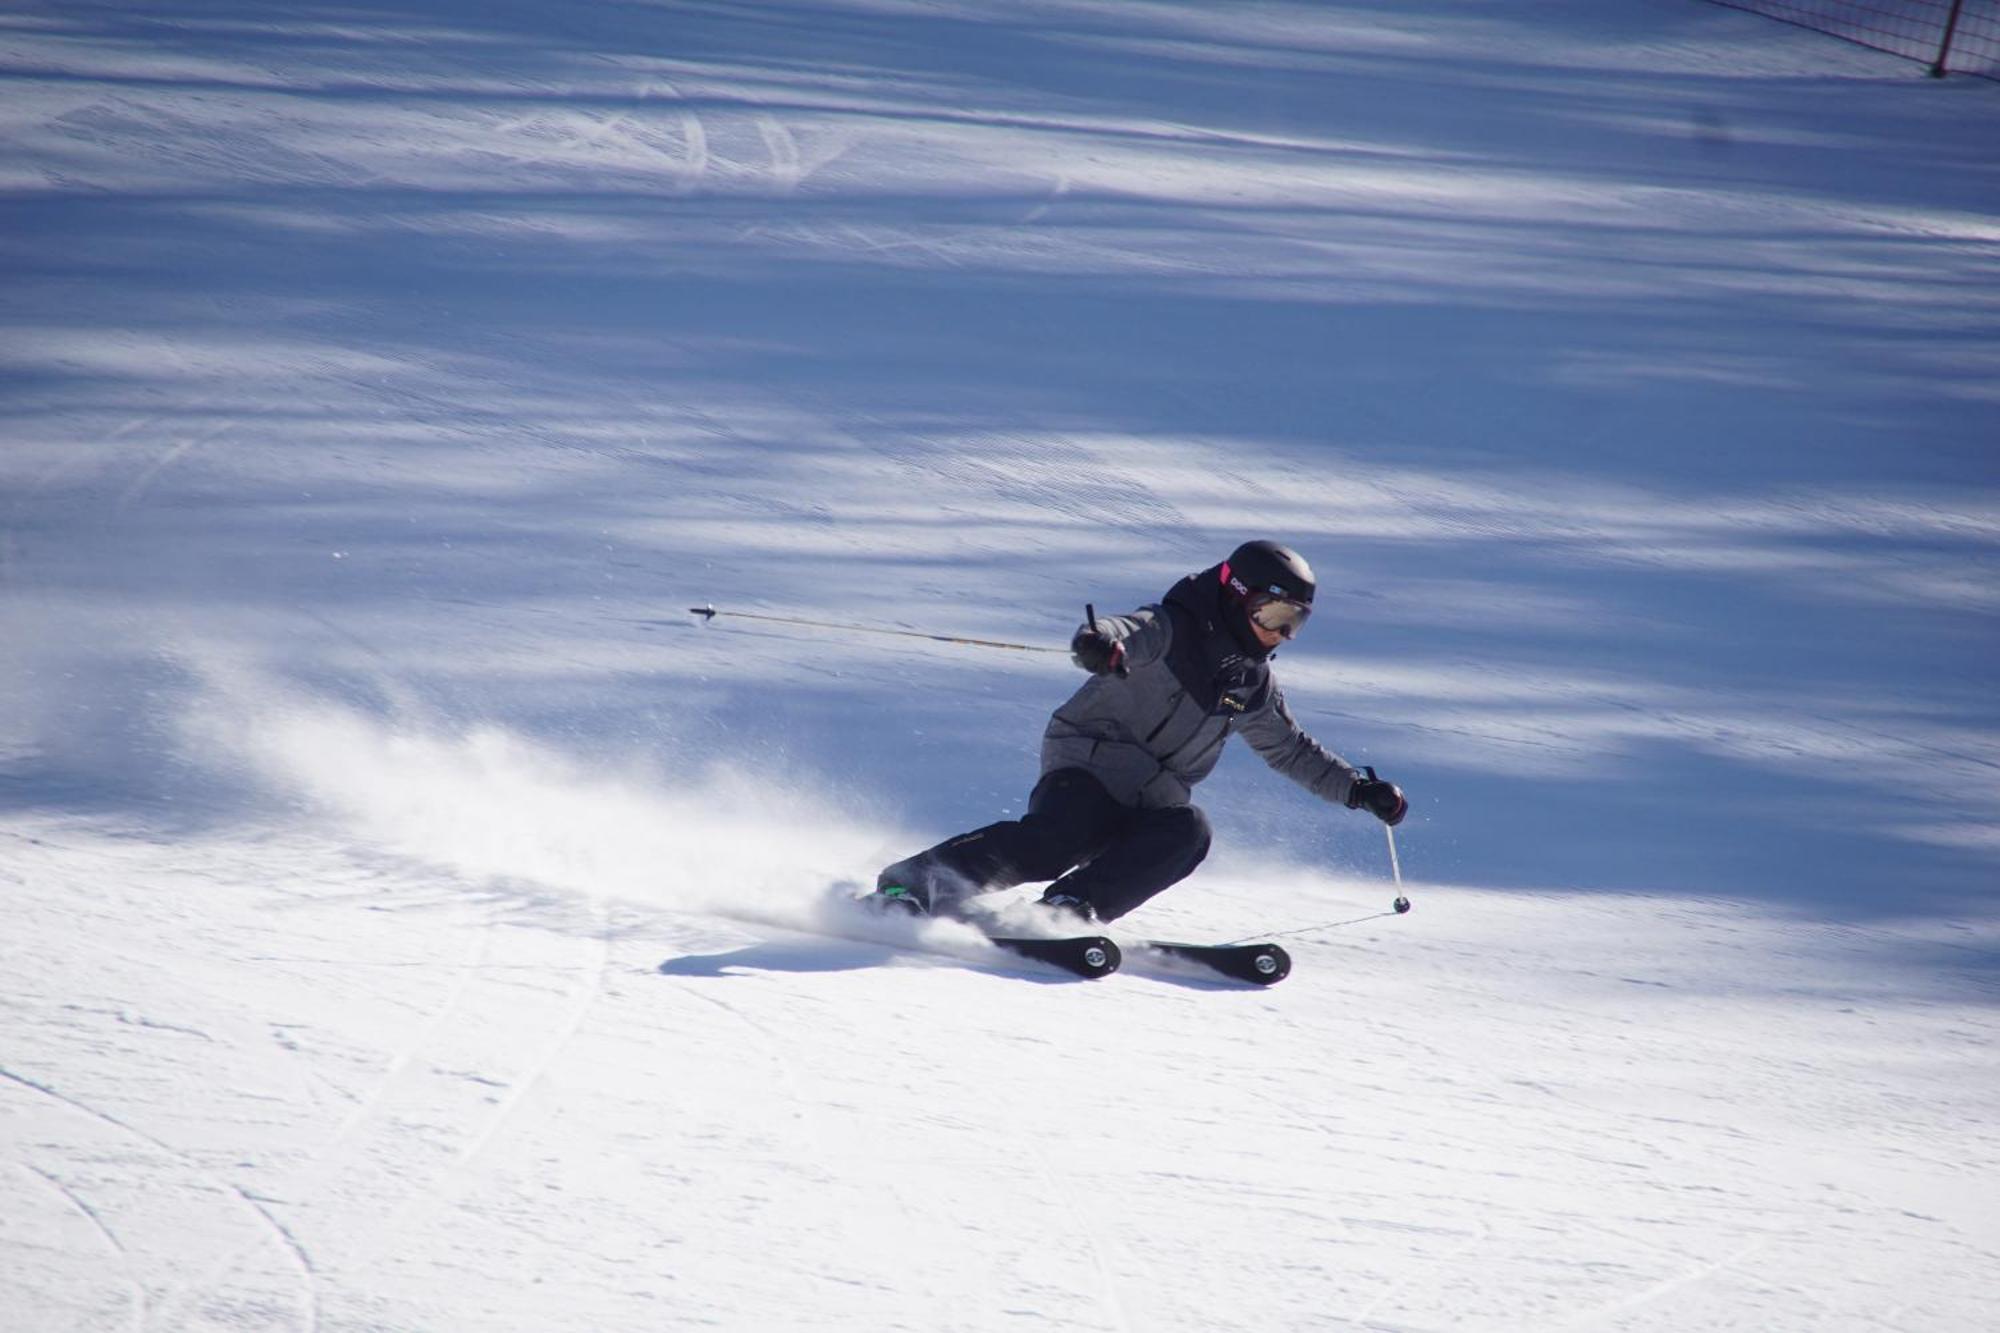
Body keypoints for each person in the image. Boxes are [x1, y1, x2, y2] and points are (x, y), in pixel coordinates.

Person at [871, 540, 1408, 923]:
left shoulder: (1250, 682)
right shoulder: (1173, 628)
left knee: (1189, 832)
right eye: (1273, 614)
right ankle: (912, 882)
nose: (1280, 634)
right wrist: (1098, 644)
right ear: (1238, 595)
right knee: (1058, 840)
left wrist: (1356, 789)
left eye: (1295, 623)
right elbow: (1124, 631)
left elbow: (1289, 750)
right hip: (1090, 764)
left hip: (1151, 799)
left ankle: (1071, 908)